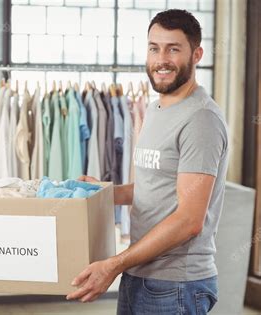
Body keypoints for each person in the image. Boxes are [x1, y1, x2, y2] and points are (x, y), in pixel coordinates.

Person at [67, 9, 228, 315]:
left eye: (173, 49)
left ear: (197, 54)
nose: (161, 59)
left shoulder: (201, 119)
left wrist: (114, 264)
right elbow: (154, 185)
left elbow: (189, 221)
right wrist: (106, 191)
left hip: (176, 285)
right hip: (140, 274)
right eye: (154, 48)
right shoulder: (156, 108)